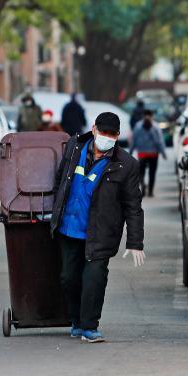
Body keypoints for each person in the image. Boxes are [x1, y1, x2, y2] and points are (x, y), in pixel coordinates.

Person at [51, 112, 145, 343]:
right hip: (69, 227)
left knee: (94, 279)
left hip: (101, 232)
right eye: (103, 132)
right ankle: (76, 320)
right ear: (93, 129)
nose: (107, 138)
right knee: (68, 278)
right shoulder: (74, 147)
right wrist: (54, 211)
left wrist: (135, 242)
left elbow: (133, 206)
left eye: (112, 134)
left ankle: (90, 326)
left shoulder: (126, 164)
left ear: (118, 136)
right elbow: (60, 179)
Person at [131, 109, 166, 197]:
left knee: (141, 172)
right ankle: (150, 192)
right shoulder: (156, 127)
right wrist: (163, 153)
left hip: (142, 153)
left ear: (143, 116)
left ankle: (143, 185)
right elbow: (159, 141)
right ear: (152, 116)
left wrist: (131, 151)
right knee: (152, 172)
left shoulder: (137, 126)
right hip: (153, 154)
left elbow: (133, 140)